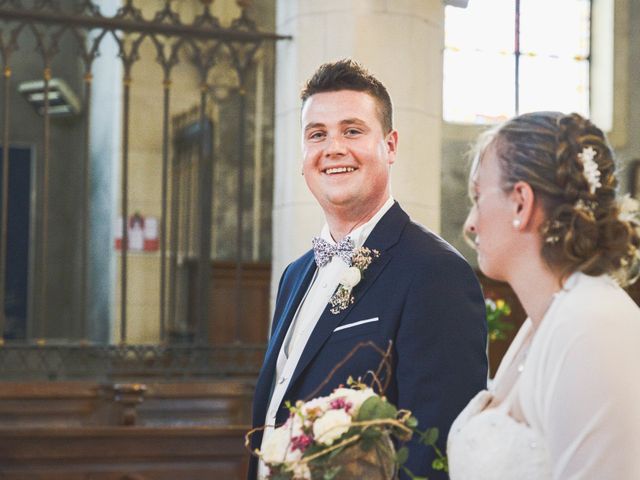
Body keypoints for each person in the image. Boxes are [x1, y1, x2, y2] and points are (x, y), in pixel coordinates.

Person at [249, 59, 488, 479]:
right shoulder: (294, 275)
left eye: (352, 130)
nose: (333, 147)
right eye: (317, 134)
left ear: (391, 145)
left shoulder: (435, 273)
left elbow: (434, 453)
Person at [448, 111, 640, 479]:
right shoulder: (544, 321)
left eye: (477, 196)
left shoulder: (593, 325)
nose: (470, 222)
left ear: (521, 202)